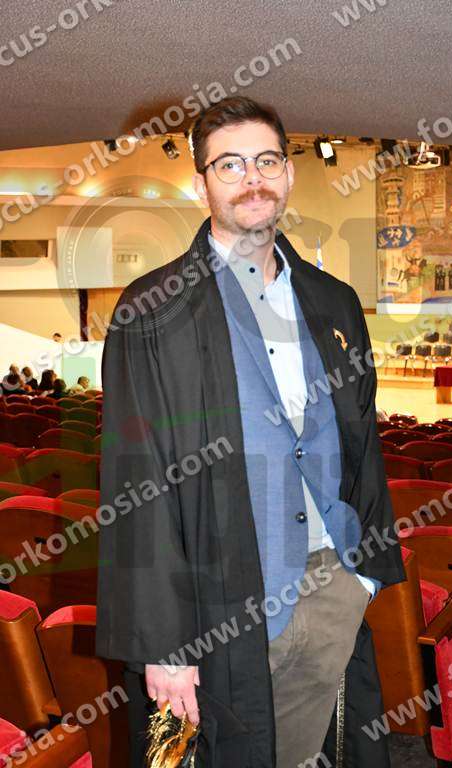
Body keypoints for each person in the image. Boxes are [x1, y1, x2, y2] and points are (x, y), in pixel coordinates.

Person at [95, 96, 405, 768]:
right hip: (218, 599)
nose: (252, 179)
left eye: (266, 160)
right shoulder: (150, 311)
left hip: (330, 583)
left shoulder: (335, 301)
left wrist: (364, 576)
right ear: (200, 183)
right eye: (229, 165)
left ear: (288, 173)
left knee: (307, 752)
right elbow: (136, 483)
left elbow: (361, 446)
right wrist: (164, 644)